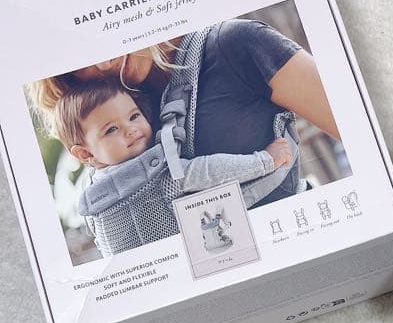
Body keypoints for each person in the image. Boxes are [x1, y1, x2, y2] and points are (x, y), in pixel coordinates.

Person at [31, 18, 340, 209]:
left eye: (102, 35)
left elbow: (355, 125)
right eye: (82, 59)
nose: (104, 62)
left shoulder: (236, 44)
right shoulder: (104, 130)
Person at [50, 78, 294, 257]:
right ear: (85, 153)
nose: (130, 129)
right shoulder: (158, 173)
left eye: (134, 116)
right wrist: (264, 160)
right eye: (111, 129)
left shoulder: (91, 201)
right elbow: (211, 171)